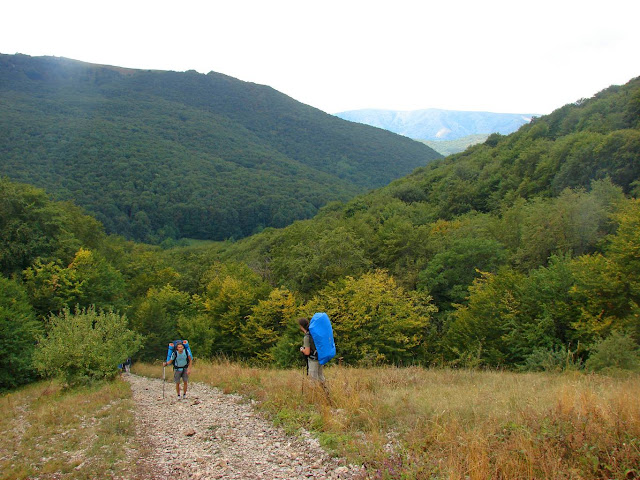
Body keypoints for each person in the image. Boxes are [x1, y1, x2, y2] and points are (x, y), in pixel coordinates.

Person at [298, 317, 325, 382]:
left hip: (313, 360)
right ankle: (325, 391)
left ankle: (314, 392)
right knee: (320, 377)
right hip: (320, 357)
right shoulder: (314, 333)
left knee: (313, 379)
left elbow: (307, 352)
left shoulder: (307, 337)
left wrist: (302, 350)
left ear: (301, 326)